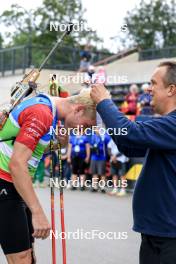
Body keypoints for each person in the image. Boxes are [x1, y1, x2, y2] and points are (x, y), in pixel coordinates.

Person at [90, 61, 176, 264]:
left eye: (154, 83)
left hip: (170, 238)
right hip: (157, 234)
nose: (148, 88)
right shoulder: (167, 124)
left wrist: (104, 102)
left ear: (171, 89)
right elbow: (129, 146)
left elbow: (129, 135)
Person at [0, 88, 96, 264]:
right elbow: (17, 163)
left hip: (15, 185)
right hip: (5, 182)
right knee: (21, 258)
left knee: (28, 255)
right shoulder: (42, 112)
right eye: (86, 125)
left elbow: (31, 151)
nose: (82, 131)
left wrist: (57, 145)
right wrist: (37, 212)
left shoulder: (49, 113)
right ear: (79, 109)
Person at [89, 129, 110, 193]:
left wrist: (102, 137)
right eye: (96, 129)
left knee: (102, 173)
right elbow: (91, 144)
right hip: (94, 157)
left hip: (102, 157)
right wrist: (92, 147)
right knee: (94, 172)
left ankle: (102, 187)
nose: (97, 130)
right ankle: (95, 187)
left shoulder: (105, 136)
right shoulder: (93, 136)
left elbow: (108, 143)